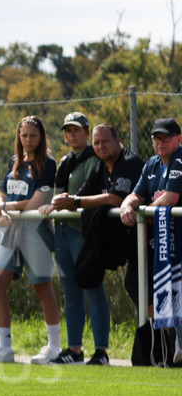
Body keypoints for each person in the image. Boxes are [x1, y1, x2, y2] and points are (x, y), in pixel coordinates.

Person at [45, 123, 141, 366]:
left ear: (118, 140)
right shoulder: (100, 166)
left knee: (102, 287)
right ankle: (76, 350)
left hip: (144, 239)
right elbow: (85, 194)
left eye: (104, 142)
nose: (100, 147)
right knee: (74, 288)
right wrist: (64, 200)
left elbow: (114, 198)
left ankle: (103, 351)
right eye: (97, 143)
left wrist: (74, 201)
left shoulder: (129, 162)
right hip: (119, 237)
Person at [0, 115, 60, 364]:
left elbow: (37, 202)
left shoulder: (47, 163)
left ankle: (54, 347)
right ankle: (4, 347)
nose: (27, 140)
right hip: (12, 231)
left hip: (35, 230)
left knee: (41, 286)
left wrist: (5, 207)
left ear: (41, 137)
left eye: (32, 136)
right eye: (24, 135)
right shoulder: (14, 161)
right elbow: (1, 194)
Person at [37, 113, 105, 365]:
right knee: (71, 292)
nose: (71, 135)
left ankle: (101, 351)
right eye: (67, 130)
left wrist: (61, 203)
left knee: (92, 289)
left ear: (87, 131)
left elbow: (86, 193)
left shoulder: (93, 159)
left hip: (82, 232)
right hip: (63, 232)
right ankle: (75, 350)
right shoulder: (67, 161)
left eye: (76, 130)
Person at [119, 118, 182, 361]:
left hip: (175, 242)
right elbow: (136, 193)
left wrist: (145, 211)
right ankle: (165, 339)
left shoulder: (179, 159)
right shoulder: (153, 164)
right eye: (156, 138)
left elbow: (171, 198)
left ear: (178, 139)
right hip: (162, 244)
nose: (160, 142)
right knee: (135, 280)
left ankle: (173, 340)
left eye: (166, 137)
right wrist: (127, 205)